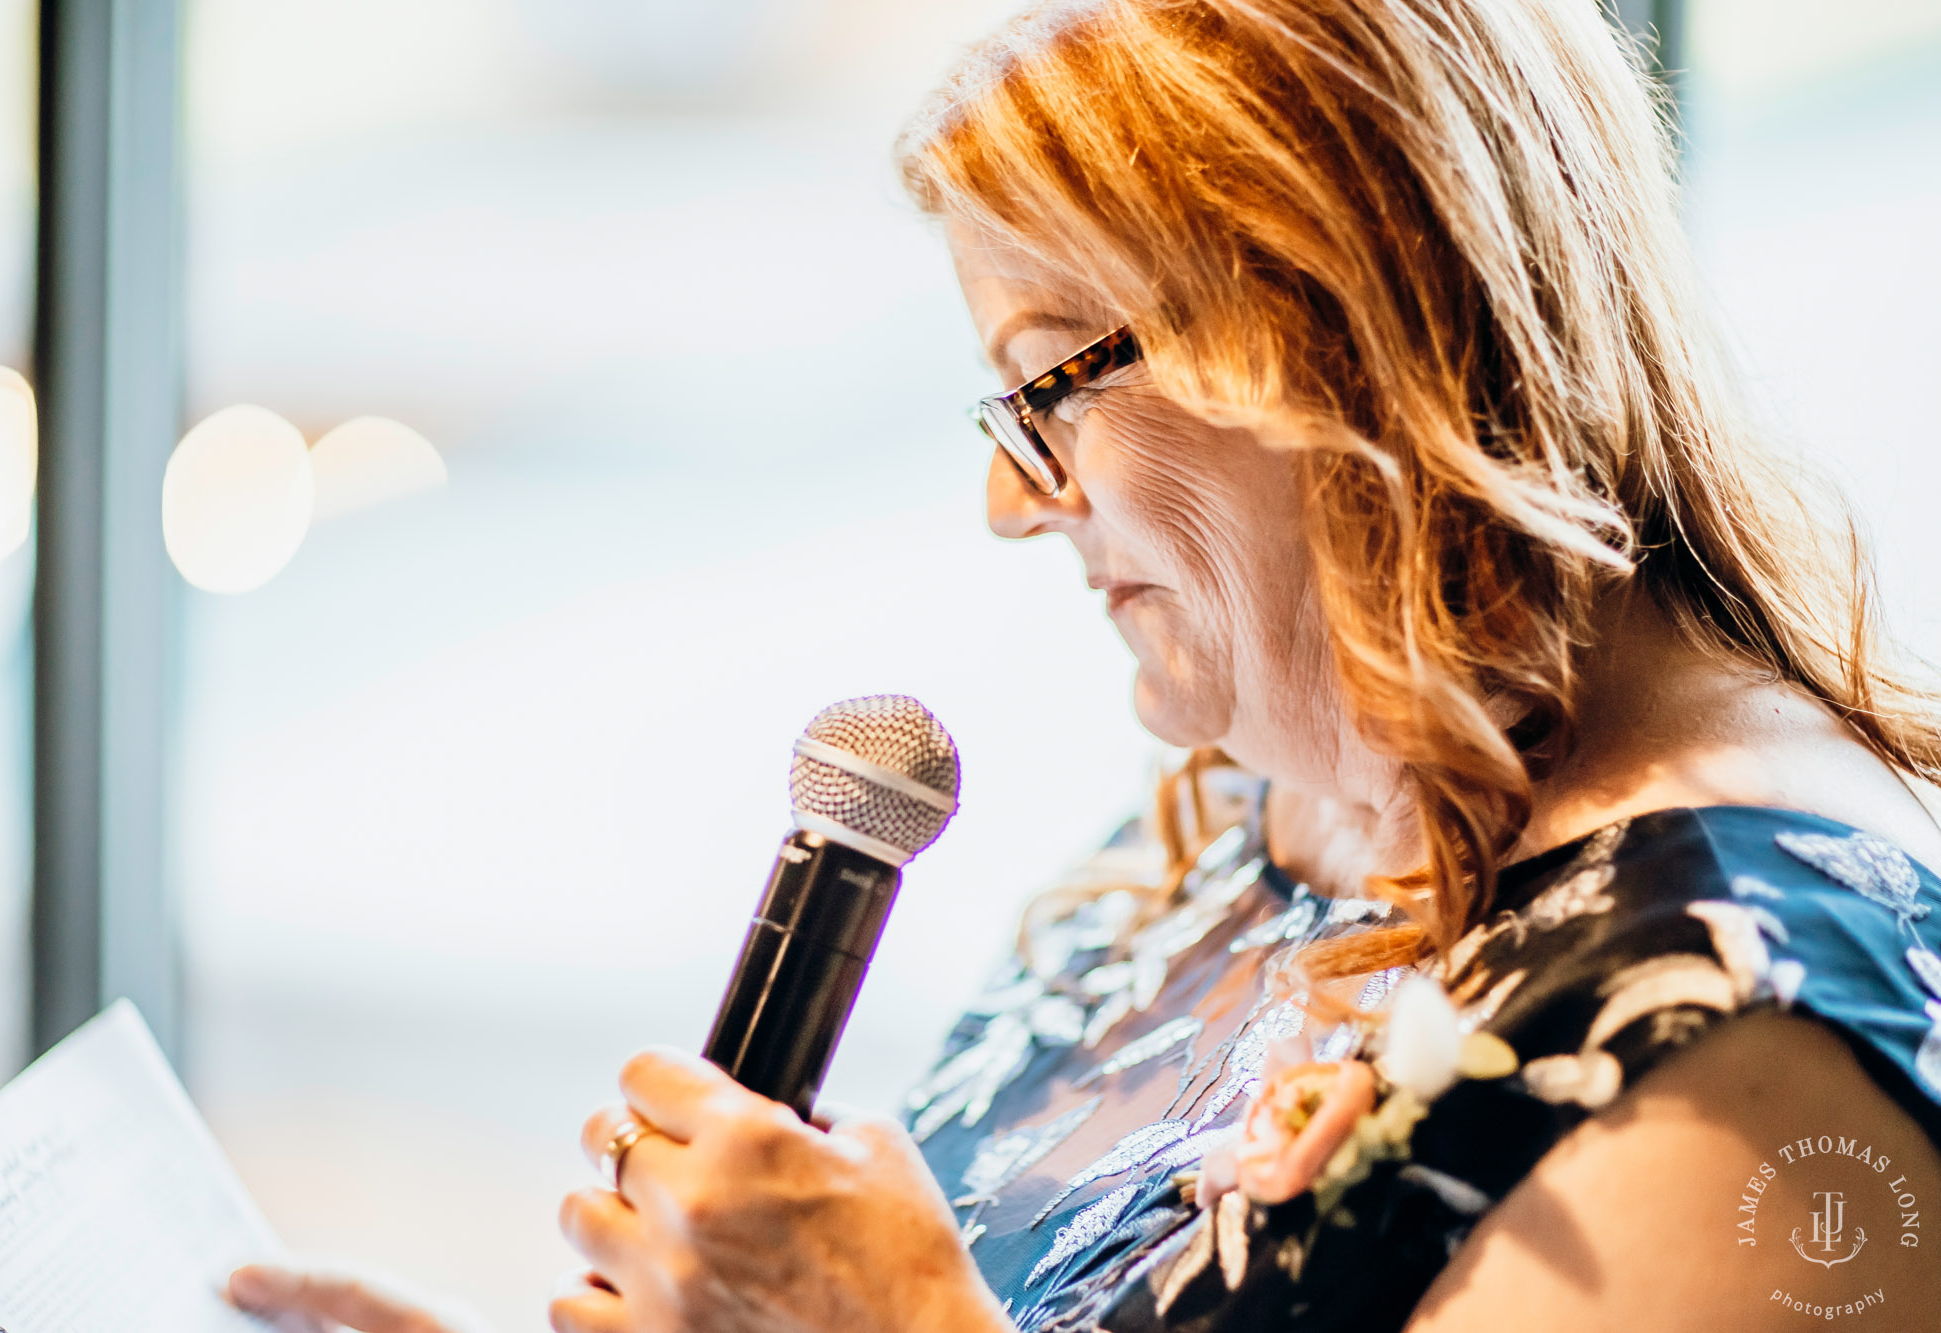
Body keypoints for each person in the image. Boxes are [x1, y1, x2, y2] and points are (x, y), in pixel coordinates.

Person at [226, 0, 1941, 1329]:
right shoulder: (1253, 810)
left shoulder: (1746, 1029)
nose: (1009, 500)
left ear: (1335, 332)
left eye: (1050, 386)